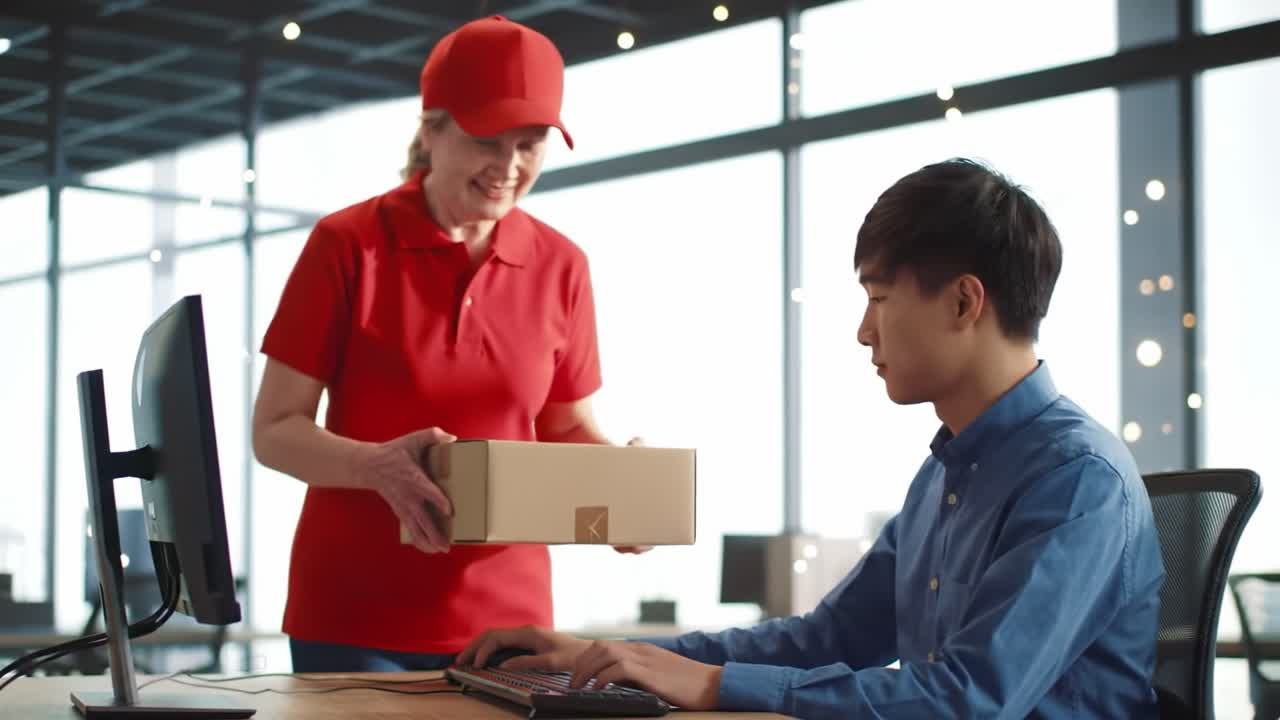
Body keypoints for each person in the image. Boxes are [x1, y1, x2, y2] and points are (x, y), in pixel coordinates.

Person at [459, 159, 1166, 718]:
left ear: (963, 301)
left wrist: (712, 685)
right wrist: (608, 653)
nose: (865, 331)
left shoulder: (1078, 478)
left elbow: (969, 699)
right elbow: (827, 640)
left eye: (880, 299)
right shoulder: (948, 472)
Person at [252, 15, 645, 673]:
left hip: (509, 627)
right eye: (489, 140)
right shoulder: (346, 245)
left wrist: (619, 489)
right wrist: (374, 466)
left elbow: (566, 425)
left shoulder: (563, 265)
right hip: (352, 619)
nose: (509, 167)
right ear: (431, 130)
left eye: (531, 144)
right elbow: (274, 430)